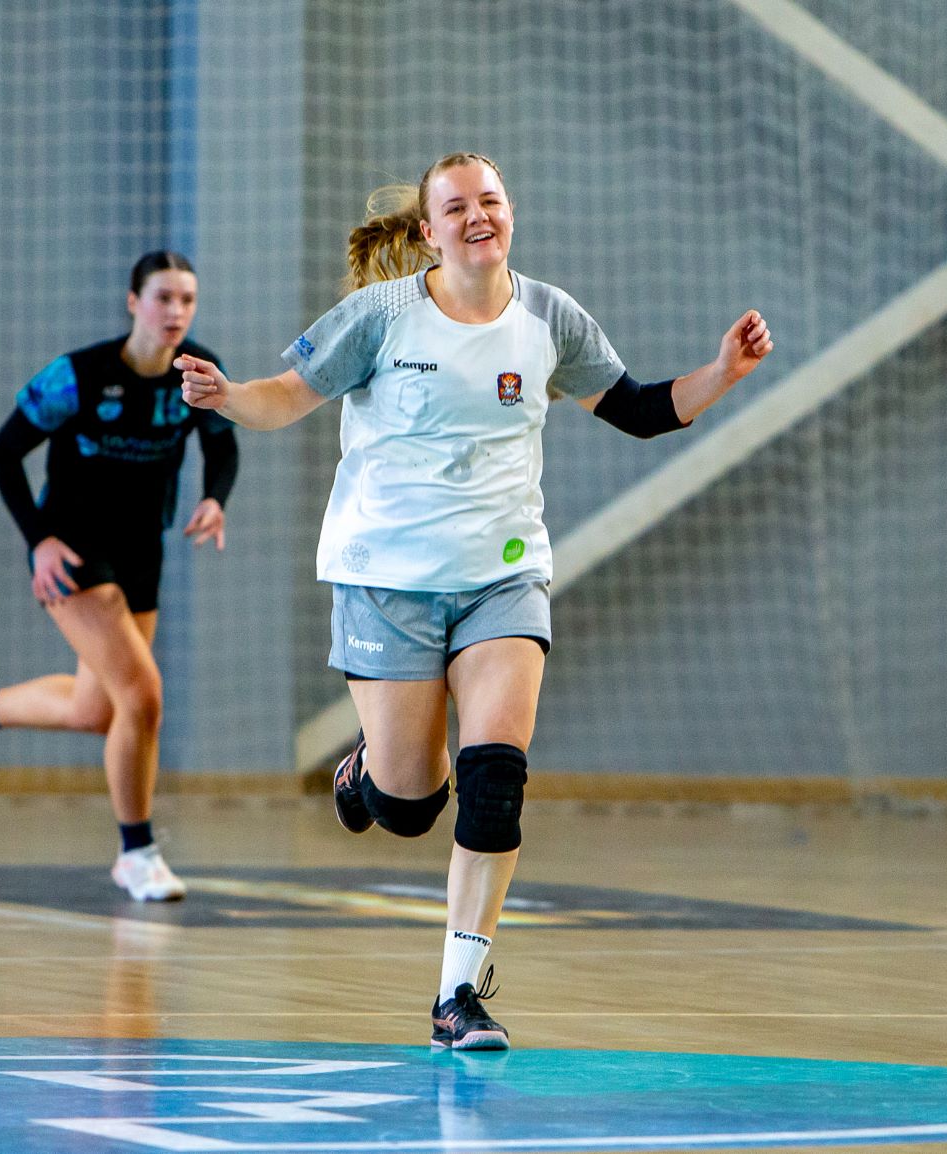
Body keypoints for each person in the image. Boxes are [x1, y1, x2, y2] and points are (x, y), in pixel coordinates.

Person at [178, 153, 772, 1048]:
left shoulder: (549, 317)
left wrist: (722, 370)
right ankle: (367, 774)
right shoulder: (382, 316)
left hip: (504, 578)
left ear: (511, 213)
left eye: (489, 200)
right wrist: (227, 397)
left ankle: (457, 996)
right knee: (410, 804)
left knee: (494, 781)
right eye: (456, 207)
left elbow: (640, 409)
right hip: (387, 581)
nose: (476, 216)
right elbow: (286, 398)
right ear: (429, 232)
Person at [0, 251, 238, 903]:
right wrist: (38, 541)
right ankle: (136, 853)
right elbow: (4, 453)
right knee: (143, 695)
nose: (175, 311)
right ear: (133, 302)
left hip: (141, 553)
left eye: (186, 299)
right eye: (163, 297)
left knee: (98, 710)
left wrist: (215, 498)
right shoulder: (79, 376)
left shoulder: (197, 371)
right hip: (72, 552)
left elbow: (221, 442)